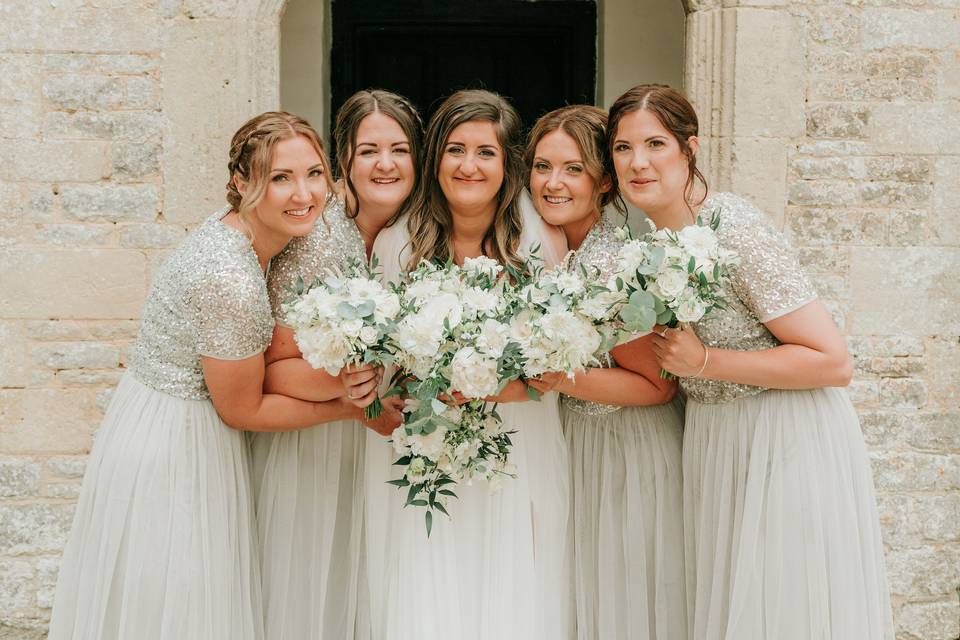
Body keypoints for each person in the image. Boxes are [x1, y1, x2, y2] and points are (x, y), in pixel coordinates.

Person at [48, 111, 362, 640]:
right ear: (242, 185)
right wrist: (347, 406)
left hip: (166, 418)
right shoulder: (228, 280)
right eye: (280, 178)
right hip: (174, 442)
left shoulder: (255, 233)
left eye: (313, 173)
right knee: (181, 602)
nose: (303, 193)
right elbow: (244, 408)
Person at [608, 84, 894, 640]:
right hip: (715, 441)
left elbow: (832, 361)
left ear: (689, 149)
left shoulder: (734, 227)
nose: (638, 162)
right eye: (622, 148)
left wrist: (705, 361)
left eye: (655, 144)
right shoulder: (648, 245)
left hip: (783, 436)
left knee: (782, 609)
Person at [360, 89, 574, 640]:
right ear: (436, 160)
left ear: (508, 165)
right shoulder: (396, 245)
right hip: (427, 444)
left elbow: (551, 371)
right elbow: (383, 366)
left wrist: (499, 388)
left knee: (512, 577)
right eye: (455, 149)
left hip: (517, 440)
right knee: (428, 571)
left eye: (485, 152)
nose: (468, 165)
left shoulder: (539, 244)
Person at [251, 90, 421, 640]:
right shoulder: (313, 235)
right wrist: (347, 392)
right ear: (343, 159)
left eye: (399, 148)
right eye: (368, 150)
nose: (385, 164)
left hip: (389, 440)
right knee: (312, 587)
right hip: (315, 443)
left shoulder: (423, 236)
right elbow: (273, 369)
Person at [525, 104, 686, 640]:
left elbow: (657, 386)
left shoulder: (616, 263)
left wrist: (553, 376)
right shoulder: (546, 254)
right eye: (542, 166)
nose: (553, 183)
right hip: (572, 443)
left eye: (573, 168)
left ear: (603, 182)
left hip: (625, 450)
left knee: (623, 599)